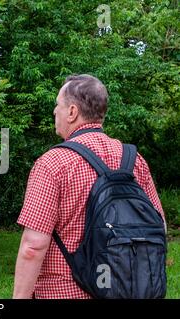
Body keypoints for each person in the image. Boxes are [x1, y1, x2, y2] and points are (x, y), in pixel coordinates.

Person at [13, 74, 166, 299]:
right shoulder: (134, 160)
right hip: (125, 290)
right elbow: (159, 225)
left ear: (72, 112)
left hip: (65, 291)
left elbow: (33, 247)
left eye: (58, 105)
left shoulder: (52, 163)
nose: (55, 111)